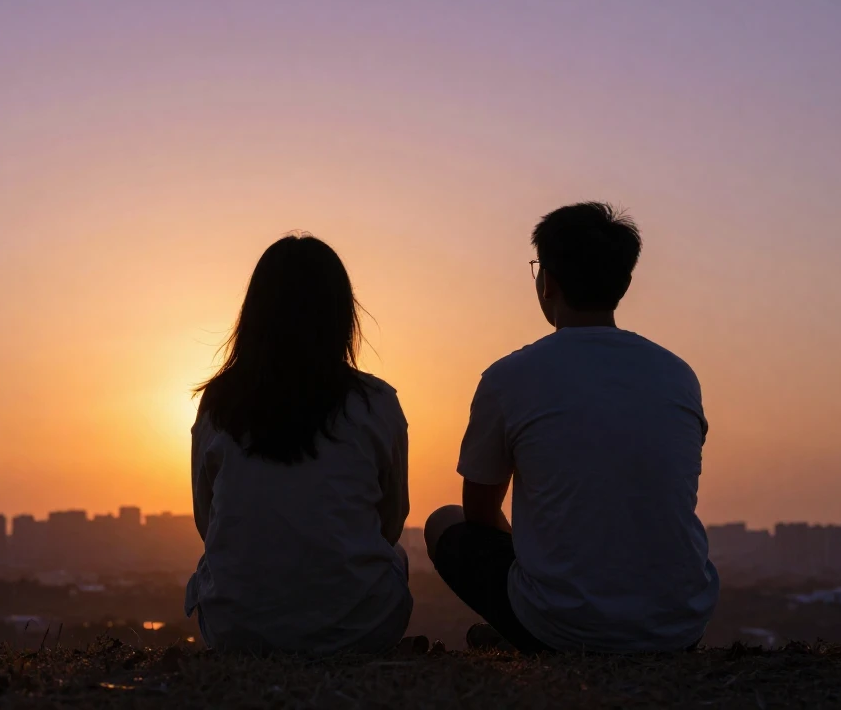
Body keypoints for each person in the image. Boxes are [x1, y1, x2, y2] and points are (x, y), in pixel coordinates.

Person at [425, 202, 718, 653]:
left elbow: (480, 513)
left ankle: (526, 625)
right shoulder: (677, 374)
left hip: (563, 629)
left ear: (548, 283)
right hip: (679, 625)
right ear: (624, 282)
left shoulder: (510, 378)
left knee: (444, 522)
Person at [185, 233, 412, 655]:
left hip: (236, 632)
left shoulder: (218, 405)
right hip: (359, 631)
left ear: (253, 316)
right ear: (342, 315)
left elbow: (207, 521)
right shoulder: (376, 403)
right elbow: (390, 523)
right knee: (396, 556)